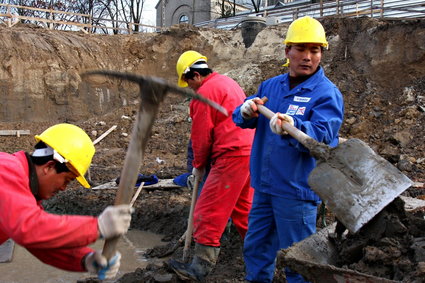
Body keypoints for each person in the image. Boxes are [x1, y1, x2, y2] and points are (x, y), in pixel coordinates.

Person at [232, 16, 344, 283]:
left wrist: (297, 125)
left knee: (298, 259)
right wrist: (246, 110)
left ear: (321, 54)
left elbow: (323, 136)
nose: (307, 56)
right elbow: (241, 116)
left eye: (314, 50)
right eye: (301, 49)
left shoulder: (326, 93)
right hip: (264, 187)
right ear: (287, 52)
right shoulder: (271, 86)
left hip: (296, 191)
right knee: (256, 248)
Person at [0, 123, 133, 280]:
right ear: (49, 167)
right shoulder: (6, 169)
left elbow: (41, 241)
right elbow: (28, 229)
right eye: (67, 180)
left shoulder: (22, 189)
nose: (64, 188)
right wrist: (98, 227)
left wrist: (85, 259)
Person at [169, 50, 255, 281]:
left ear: (195, 75)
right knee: (244, 210)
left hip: (230, 156)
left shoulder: (204, 94)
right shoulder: (227, 82)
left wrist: (198, 165)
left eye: (188, 82)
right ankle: (263, 257)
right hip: (248, 154)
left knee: (208, 211)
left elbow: (201, 136)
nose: (189, 88)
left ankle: (200, 267)